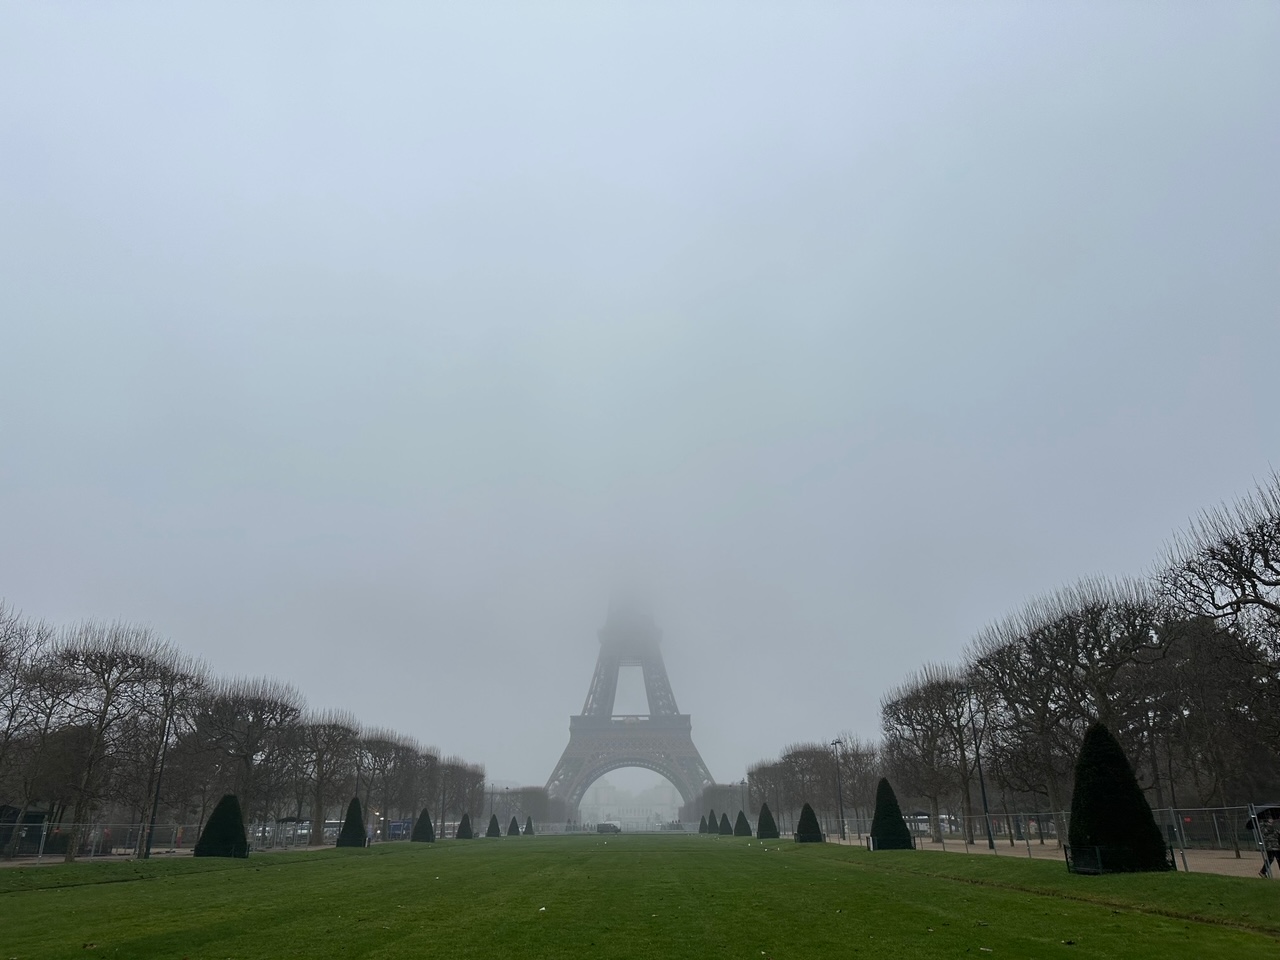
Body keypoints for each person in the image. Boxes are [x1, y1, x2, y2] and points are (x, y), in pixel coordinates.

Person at [1258, 811, 1280, 878]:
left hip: (1275, 843)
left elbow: (1275, 832)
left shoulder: (1270, 824)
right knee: (1277, 858)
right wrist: (1270, 824)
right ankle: (1262, 872)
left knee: (1270, 859)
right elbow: (1266, 832)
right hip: (1271, 844)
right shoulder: (1263, 824)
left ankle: (1263, 872)